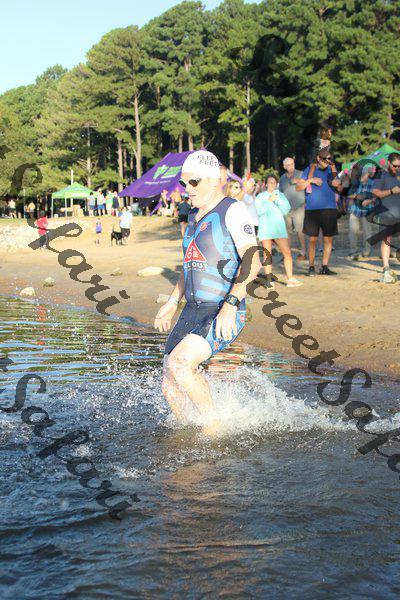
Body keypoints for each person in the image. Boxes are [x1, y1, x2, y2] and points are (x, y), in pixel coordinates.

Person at [154, 150, 261, 436]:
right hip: (192, 309)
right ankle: (186, 429)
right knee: (169, 380)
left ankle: (214, 428)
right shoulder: (192, 215)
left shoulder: (232, 210)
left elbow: (253, 261)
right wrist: (172, 302)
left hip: (222, 307)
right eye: (184, 183)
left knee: (181, 363)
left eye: (194, 182)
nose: (187, 189)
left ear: (214, 181)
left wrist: (231, 304)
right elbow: (190, 264)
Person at [296, 148, 341, 276]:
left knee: (328, 240)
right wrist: (311, 180)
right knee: (313, 240)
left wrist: (337, 183)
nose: (327, 161)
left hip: (329, 208)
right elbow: (298, 187)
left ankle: (324, 267)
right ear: (318, 158)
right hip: (312, 210)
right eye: (325, 159)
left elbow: (338, 184)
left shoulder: (331, 170)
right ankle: (311, 267)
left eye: (329, 159)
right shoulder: (310, 169)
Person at [256, 175, 303, 288]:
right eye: (270, 182)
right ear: (266, 184)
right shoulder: (260, 196)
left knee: (287, 253)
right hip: (265, 229)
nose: (272, 185)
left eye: (274, 182)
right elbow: (259, 211)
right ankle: (269, 281)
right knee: (267, 255)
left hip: (278, 228)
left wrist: (277, 200)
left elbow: (286, 210)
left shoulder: (280, 195)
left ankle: (290, 279)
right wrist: (268, 201)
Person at [371, 152, 400, 283]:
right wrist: (391, 191)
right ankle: (386, 268)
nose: (397, 168)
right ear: (389, 163)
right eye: (395, 166)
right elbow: (375, 193)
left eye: (399, 166)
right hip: (385, 214)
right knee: (386, 241)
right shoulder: (380, 175)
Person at [347, 163, 376, 260]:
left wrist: (369, 200)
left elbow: (377, 197)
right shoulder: (355, 183)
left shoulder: (373, 183)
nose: (362, 176)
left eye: (364, 174)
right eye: (361, 174)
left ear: (368, 174)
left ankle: (366, 251)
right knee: (352, 231)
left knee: (367, 232)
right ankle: (353, 251)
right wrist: (357, 196)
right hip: (355, 210)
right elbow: (348, 194)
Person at [279, 157, 307, 260]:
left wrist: (299, 181)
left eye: (292, 164)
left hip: (299, 207)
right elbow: (280, 193)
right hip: (286, 209)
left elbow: (307, 185)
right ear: (284, 167)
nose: (291, 166)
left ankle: (303, 252)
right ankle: (287, 254)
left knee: (300, 230)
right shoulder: (282, 178)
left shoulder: (300, 174)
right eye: (289, 165)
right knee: (287, 232)